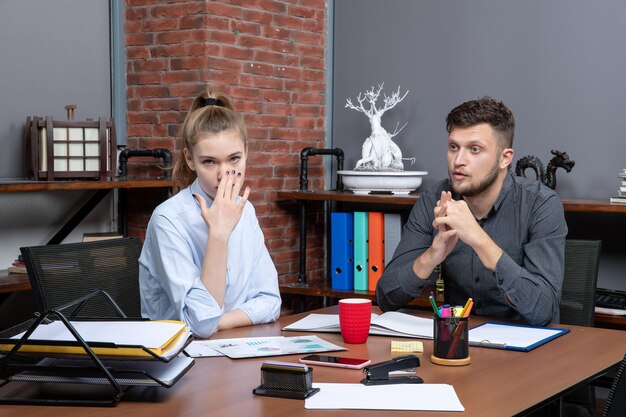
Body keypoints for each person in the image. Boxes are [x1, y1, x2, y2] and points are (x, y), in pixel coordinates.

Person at [376, 96, 567, 326]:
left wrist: (478, 239)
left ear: (504, 158)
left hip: (529, 351)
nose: (459, 160)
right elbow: (385, 298)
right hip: (459, 343)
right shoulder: (433, 201)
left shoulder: (541, 204)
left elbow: (543, 310)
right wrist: (432, 256)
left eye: (474, 149)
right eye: (453, 147)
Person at [139, 90, 281, 338]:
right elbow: (201, 324)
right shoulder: (168, 219)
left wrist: (220, 321)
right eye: (209, 162)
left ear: (246, 153)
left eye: (234, 159)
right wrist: (218, 234)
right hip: (177, 358)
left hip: (231, 345)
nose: (224, 174)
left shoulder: (245, 210)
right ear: (190, 160)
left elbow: (270, 302)